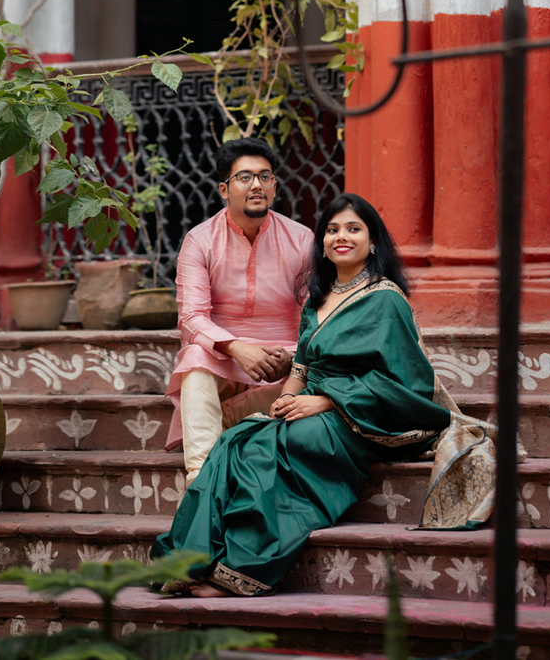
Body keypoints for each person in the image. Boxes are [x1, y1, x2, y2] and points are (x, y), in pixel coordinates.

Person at [152, 193, 497, 598]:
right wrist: (286, 400)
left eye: (353, 229)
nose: (341, 237)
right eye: (332, 230)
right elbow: (302, 365)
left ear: (373, 242)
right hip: (314, 407)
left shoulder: (385, 299)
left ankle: (241, 570)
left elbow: (405, 383)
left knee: (266, 449)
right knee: (236, 439)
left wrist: (328, 399)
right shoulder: (318, 297)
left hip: (362, 419)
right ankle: (191, 560)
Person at [165, 136, 313, 484]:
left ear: (274, 186)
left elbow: (316, 313)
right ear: (224, 189)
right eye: (245, 177)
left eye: (266, 176)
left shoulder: (302, 238)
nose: (257, 185)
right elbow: (191, 318)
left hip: (286, 360)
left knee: (325, 373)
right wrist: (236, 347)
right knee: (194, 362)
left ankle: (226, 419)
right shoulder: (200, 240)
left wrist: (293, 358)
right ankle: (201, 478)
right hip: (225, 358)